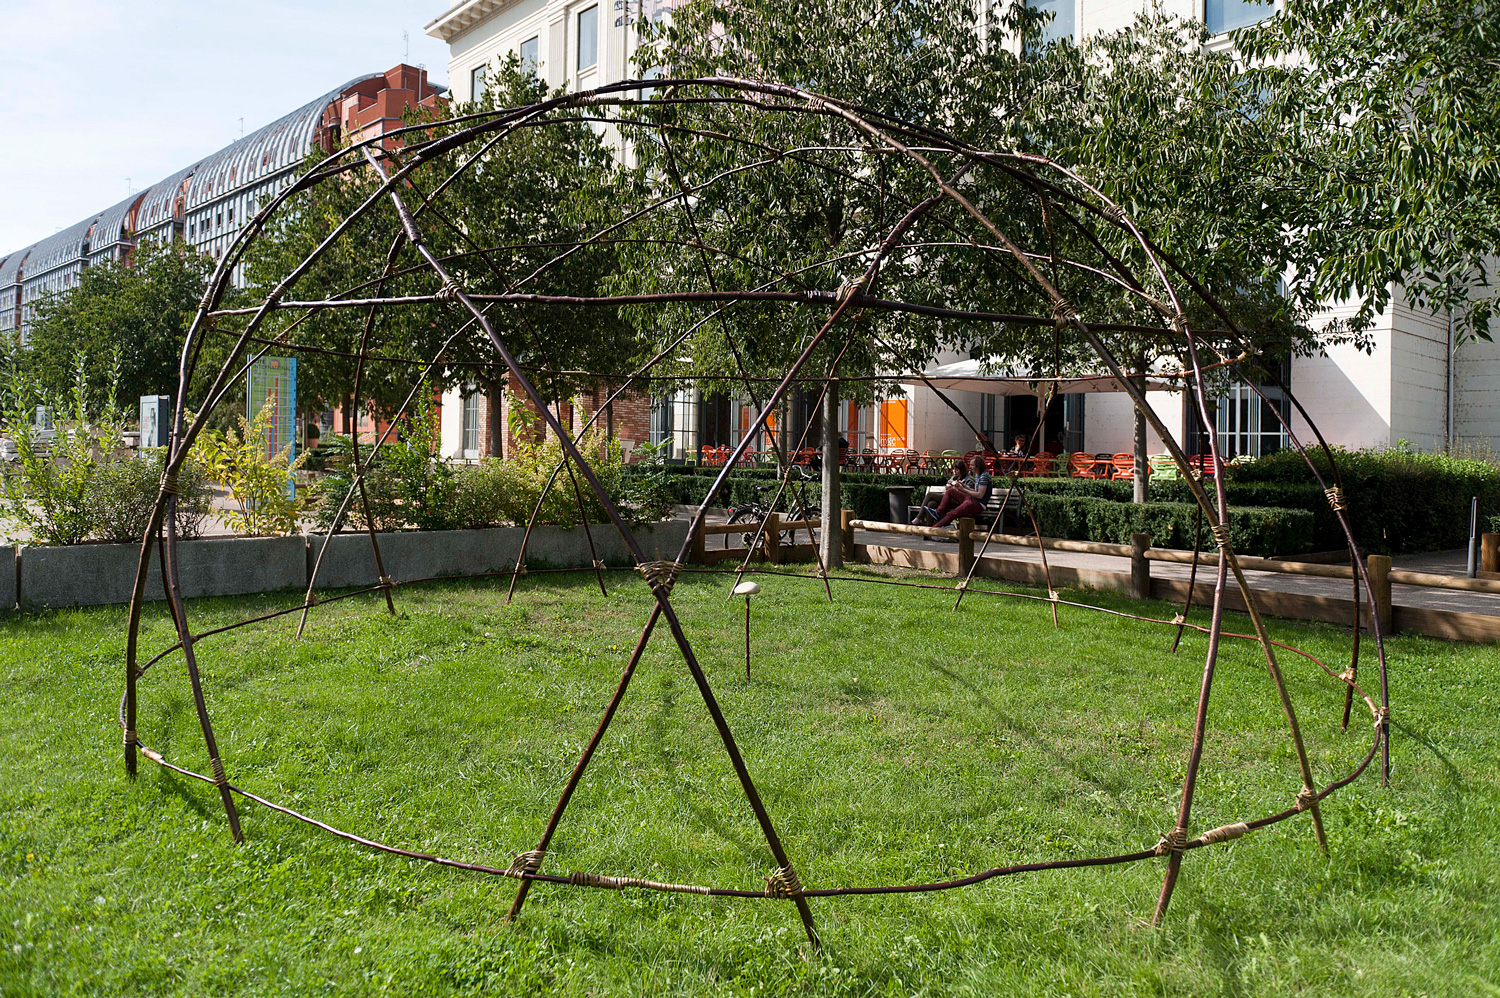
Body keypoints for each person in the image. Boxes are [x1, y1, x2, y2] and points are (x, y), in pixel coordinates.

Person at [913, 458, 991, 527]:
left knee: (952, 513)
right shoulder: (978, 475)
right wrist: (963, 486)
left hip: (978, 503)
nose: (970, 467)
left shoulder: (984, 476)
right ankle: (937, 514)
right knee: (948, 493)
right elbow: (975, 491)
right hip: (971, 499)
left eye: (972, 465)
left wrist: (962, 489)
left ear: (978, 466)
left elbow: (980, 495)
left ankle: (934, 529)